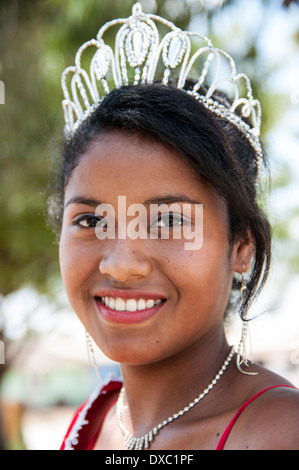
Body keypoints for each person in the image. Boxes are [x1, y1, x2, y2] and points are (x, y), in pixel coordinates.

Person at [49, 3, 299, 450]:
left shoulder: (280, 431)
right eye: (90, 220)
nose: (122, 264)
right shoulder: (93, 420)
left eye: (168, 220)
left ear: (242, 247)